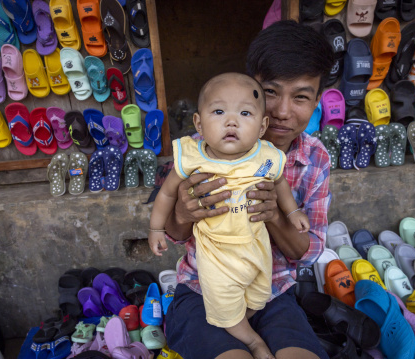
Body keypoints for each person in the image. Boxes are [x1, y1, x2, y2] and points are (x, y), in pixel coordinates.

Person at [163, 20, 334, 359]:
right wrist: (183, 211)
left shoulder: (315, 158)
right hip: (202, 290)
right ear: (249, 86)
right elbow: (174, 234)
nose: (283, 111)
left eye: (300, 97)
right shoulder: (201, 150)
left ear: (316, 101)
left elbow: (307, 251)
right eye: (270, 92)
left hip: (272, 293)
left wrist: (274, 215)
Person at [149, 72, 310, 359]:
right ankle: (252, 341)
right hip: (215, 259)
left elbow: (281, 183)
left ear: (261, 126)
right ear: (199, 123)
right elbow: (166, 194)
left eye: (245, 113)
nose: (231, 121)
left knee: (260, 295)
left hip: (257, 253)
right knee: (223, 304)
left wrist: (292, 211)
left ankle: (244, 322)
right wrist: (156, 228)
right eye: (219, 111)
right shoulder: (192, 158)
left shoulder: (265, 156)